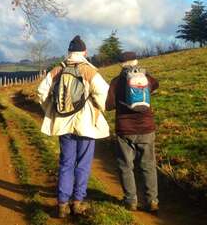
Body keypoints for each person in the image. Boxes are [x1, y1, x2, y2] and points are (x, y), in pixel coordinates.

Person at [37, 35, 110, 218]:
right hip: (86, 125)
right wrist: (99, 107)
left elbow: (41, 91)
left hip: (63, 124)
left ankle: (62, 204)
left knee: (66, 164)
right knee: (83, 164)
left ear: (69, 52)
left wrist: (51, 110)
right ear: (84, 52)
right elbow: (104, 94)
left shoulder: (58, 70)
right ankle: (77, 203)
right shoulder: (89, 71)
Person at [105, 51, 159, 212]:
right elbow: (156, 85)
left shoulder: (116, 81)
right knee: (148, 165)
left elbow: (109, 105)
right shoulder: (147, 78)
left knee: (125, 165)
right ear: (136, 61)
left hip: (125, 129)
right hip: (146, 128)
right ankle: (152, 201)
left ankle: (131, 201)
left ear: (121, 64)